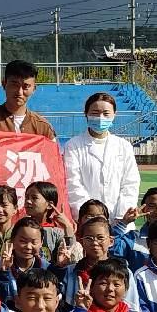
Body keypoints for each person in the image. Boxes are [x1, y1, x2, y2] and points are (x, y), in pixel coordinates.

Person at [62, 93, 141, 222]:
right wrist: (91, 214)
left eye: (106, 113)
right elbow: (73, 184)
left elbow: (131, 182)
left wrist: (122, 215)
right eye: (95, 113)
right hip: (88, 221)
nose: (100, 118)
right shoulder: (73, 146)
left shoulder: (124, 146)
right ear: (86, 114)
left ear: (114, 115)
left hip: (120, 220)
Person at [0, 60, 58, 137]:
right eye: (14, 85)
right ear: (4, 84)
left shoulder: (44, 127)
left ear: (34, 89)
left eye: (26, 86)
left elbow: (52, 149)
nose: (19, 92)